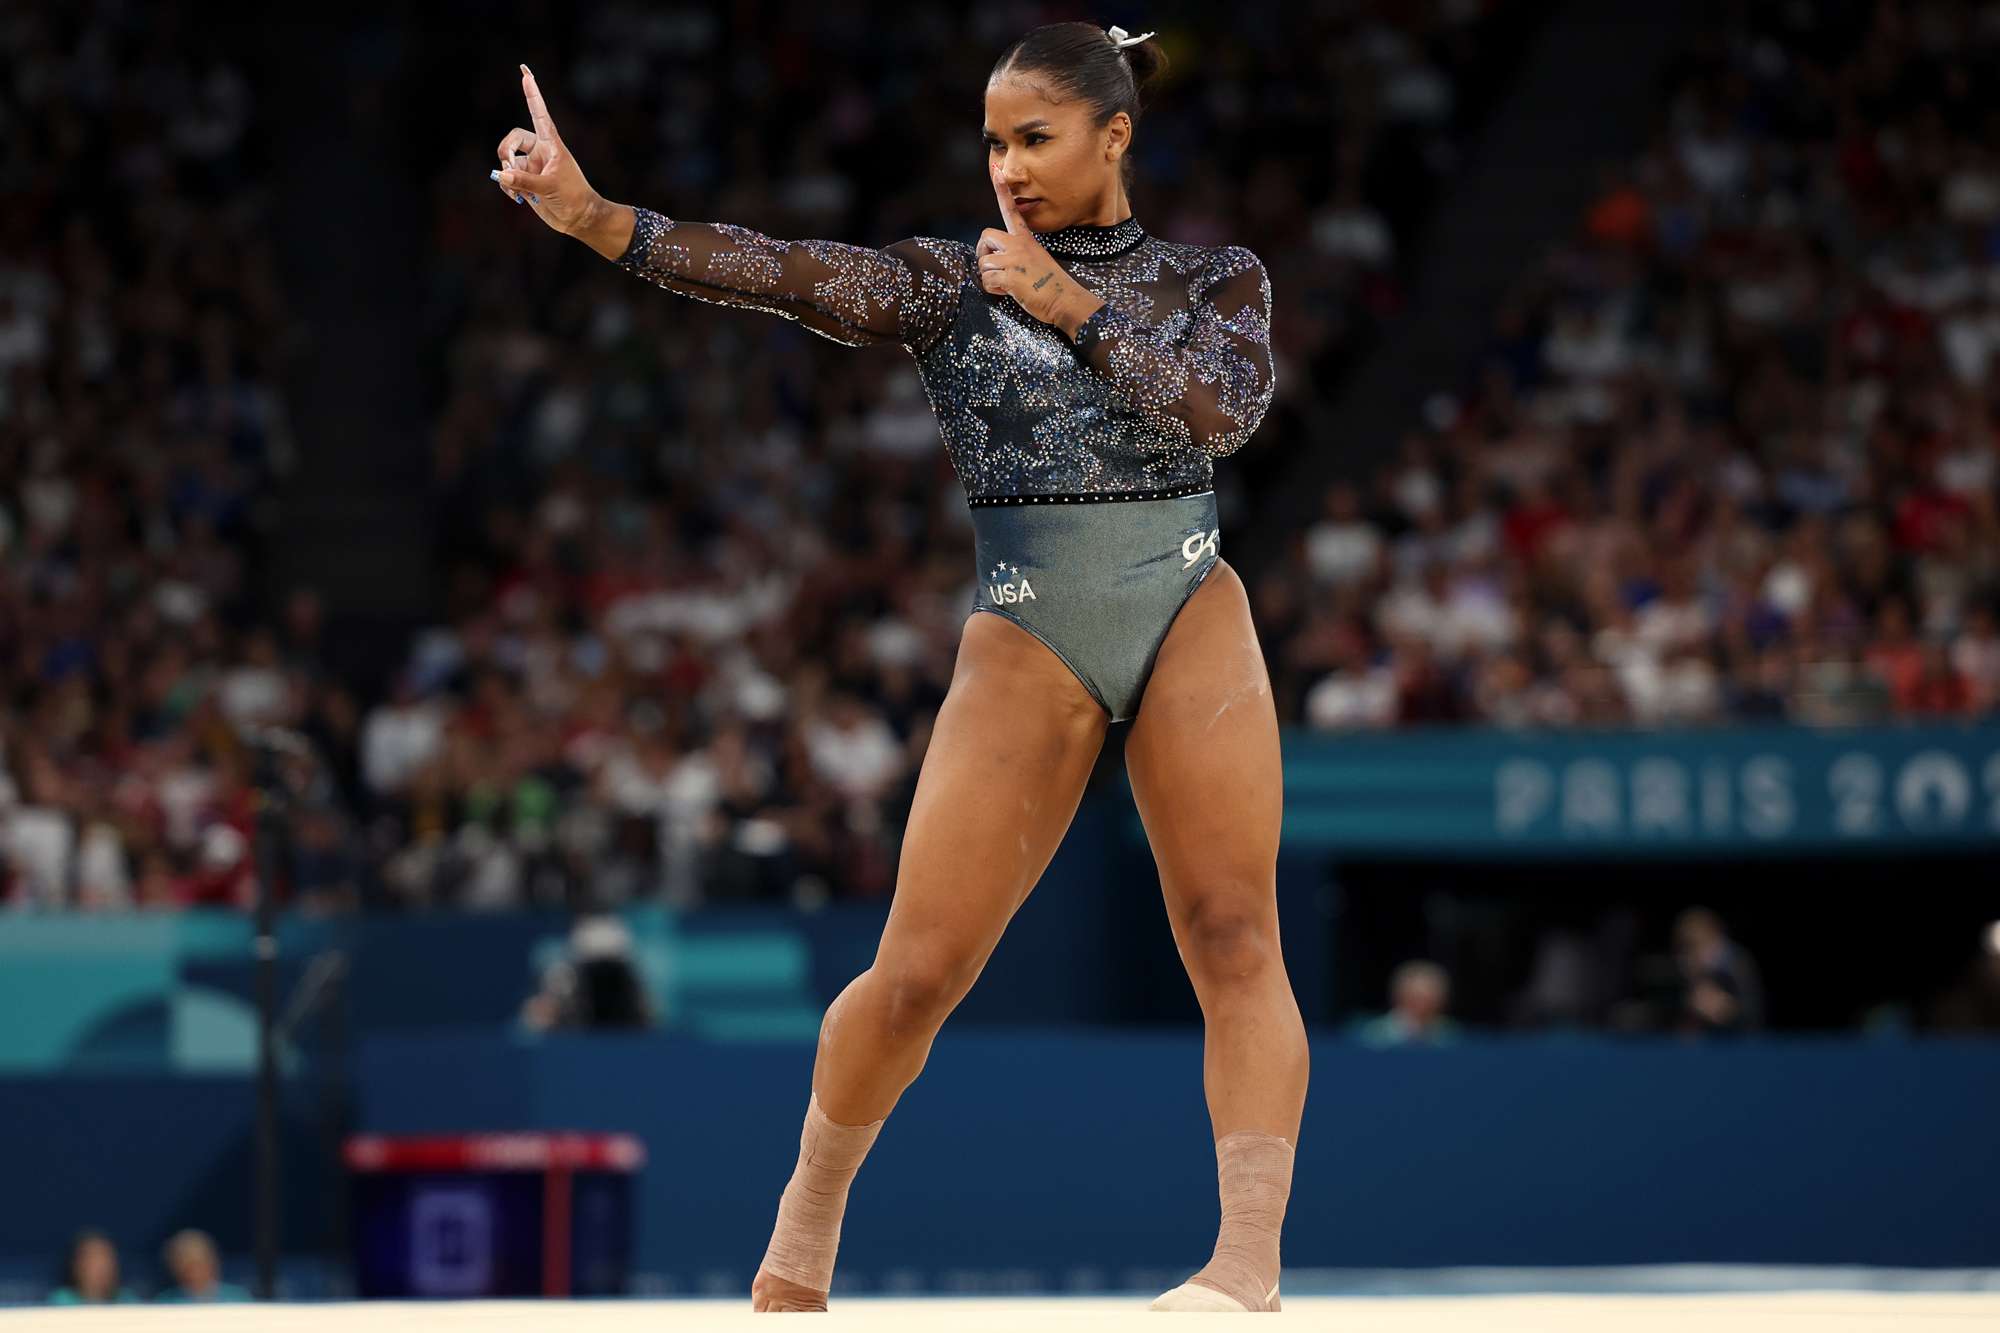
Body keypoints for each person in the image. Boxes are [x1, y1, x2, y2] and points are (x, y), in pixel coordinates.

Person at [491, 19, 1306, 1313]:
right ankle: (807, 1219)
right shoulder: (951, 284)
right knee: (918, 971)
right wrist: (597, 220)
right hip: (1033, 620)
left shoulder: (1214, 281)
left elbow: (1229, 411)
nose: (1010, 170)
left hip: (1188, 599)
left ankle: (1245, 1268)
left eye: (1036, 139)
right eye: (992, 143)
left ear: (1115, 135)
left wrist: (1071, 306)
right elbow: (785, 271)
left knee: (1232, 932)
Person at [1352, 960, 1462, 1047]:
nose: (1424, 1005)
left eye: (1430, 998)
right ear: (1399, 996)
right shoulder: (1373, 1036)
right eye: (1417, 997)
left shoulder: (1452, 1037)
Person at [155, 1229, 252, 1303]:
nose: (195, 1273)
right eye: (188, 1266)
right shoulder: (166, 1302)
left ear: (213, 1263)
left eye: (199, 1264)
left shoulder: (237, 1298)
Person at [48, 1230, 135, 1305]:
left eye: (106, 1259)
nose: (101, 1268)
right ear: (76, 1266)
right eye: (92, 1259)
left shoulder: (127, 1299)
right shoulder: (60, 1301)